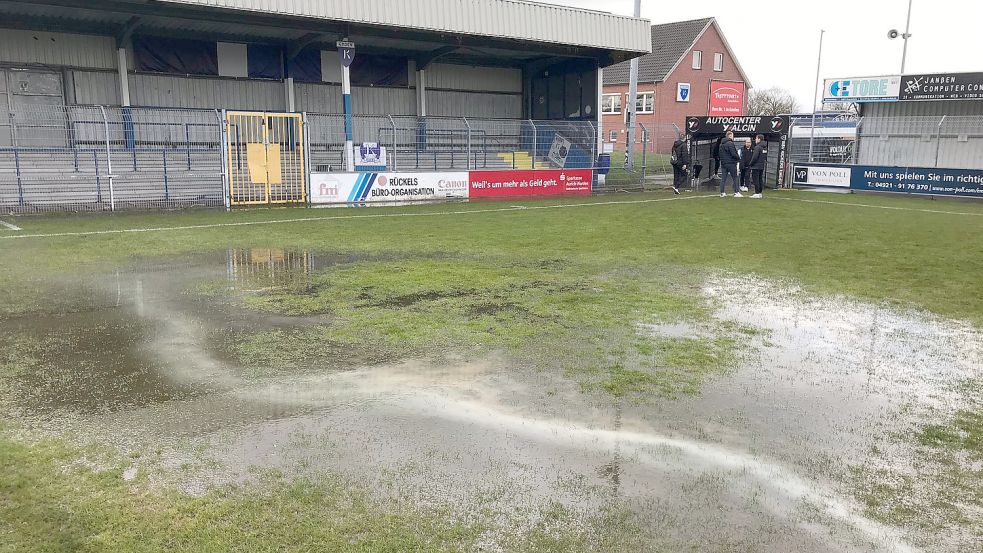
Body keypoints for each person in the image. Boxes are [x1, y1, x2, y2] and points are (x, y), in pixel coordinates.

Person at [718, 131, 742, 197]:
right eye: (732, 135)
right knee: (735, 177)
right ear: (730, 136)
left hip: (723, 164)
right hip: (731, 163)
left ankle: (722, 193)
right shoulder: (730, 143)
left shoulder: (721, 144)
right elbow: (733, 153)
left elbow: (719, 154)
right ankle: (736, 192)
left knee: (723, 178)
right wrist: (738, 158)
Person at [749, 134, 768, 199]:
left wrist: (750, 164)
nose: (755, 140)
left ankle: (757, 193)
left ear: (759, 139)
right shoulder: (765, 147)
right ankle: (760, 193)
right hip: (761, 165)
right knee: (760, 179)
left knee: (755, 180)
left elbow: (755, 157)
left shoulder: (757, 147)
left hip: (756, 166)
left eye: (756, 138)